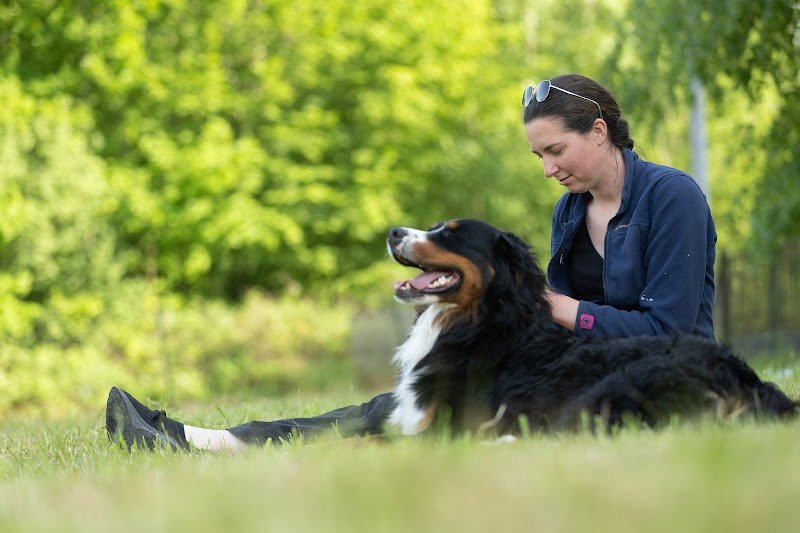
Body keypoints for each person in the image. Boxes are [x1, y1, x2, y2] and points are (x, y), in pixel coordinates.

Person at [105, 73, 716, 451]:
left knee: (404, 416)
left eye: (555, 150)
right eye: (538, 155)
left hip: (648, 378)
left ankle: (207, 443)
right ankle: (196, 438)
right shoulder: (569, 212)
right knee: (398, 402)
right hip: (574, 369)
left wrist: (559, 309)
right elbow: (542, 319)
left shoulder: (671, 197)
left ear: (601, 132)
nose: (548, 168)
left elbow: (674, 333)